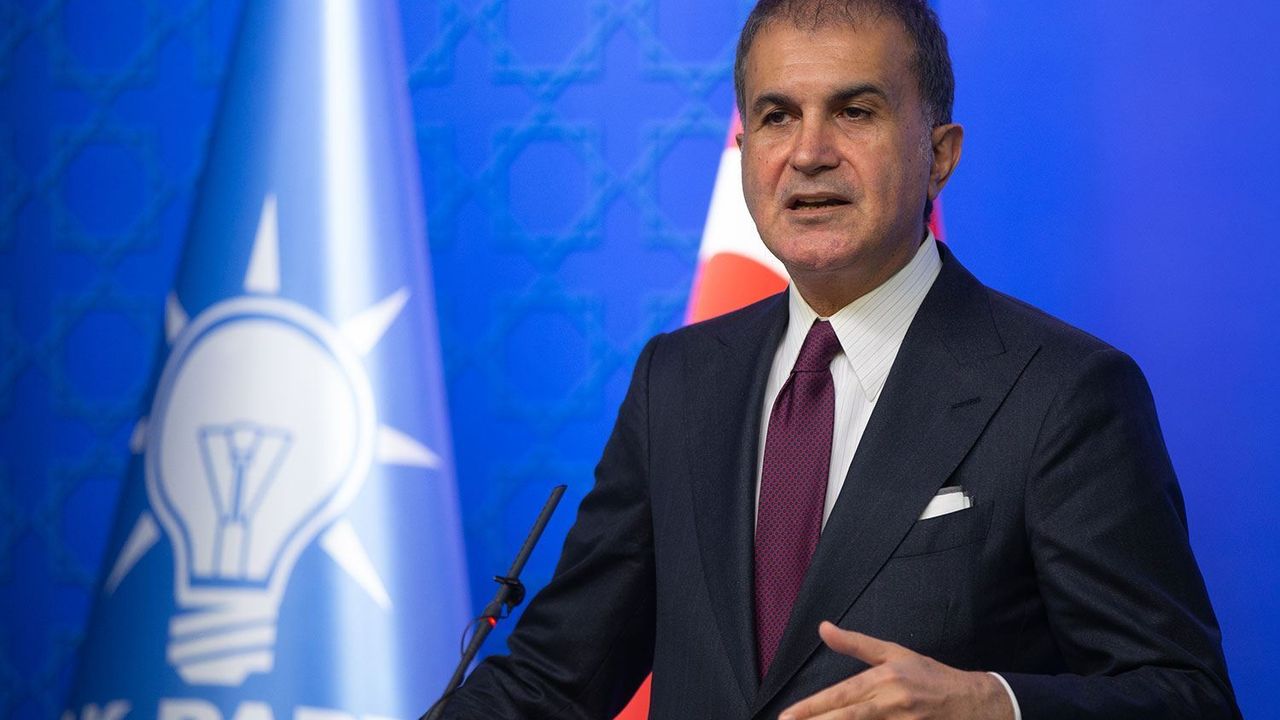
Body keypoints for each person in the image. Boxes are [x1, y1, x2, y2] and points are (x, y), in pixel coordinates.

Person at [439, 1, 1240, 718]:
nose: (809, 152)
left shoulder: (1063, 392)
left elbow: (1187, 696)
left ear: (940, 154)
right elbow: (554, 680)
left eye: (855, 111)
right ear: (745, 151)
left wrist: (993, 705)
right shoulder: (676, 380)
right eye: (777, 116)